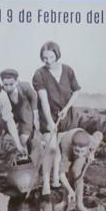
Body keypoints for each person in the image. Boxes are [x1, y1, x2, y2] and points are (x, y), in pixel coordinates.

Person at [32, 40, 81, 195]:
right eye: (45, 58)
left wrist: (66, 109)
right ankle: (46, 183)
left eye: (51, 57)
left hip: (66, 115)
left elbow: (76, 92)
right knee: (51, 148)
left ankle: (55, 179)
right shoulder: (39, 74)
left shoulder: (68, 70)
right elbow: (44, 101)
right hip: (48, 116)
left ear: (57, 55)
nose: (48, 61)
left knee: (60, 149)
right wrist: (51, 122)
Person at [0, 68, 41, 151]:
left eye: (11, 84)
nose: (8, 87)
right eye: (5, 85)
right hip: (10, 114)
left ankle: (27, 141)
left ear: (17, 81)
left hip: (25, 113)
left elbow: (34, 97)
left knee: (23, 139)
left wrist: (36, 117)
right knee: (9, 137)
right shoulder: (1, 92)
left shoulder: (24, 86)